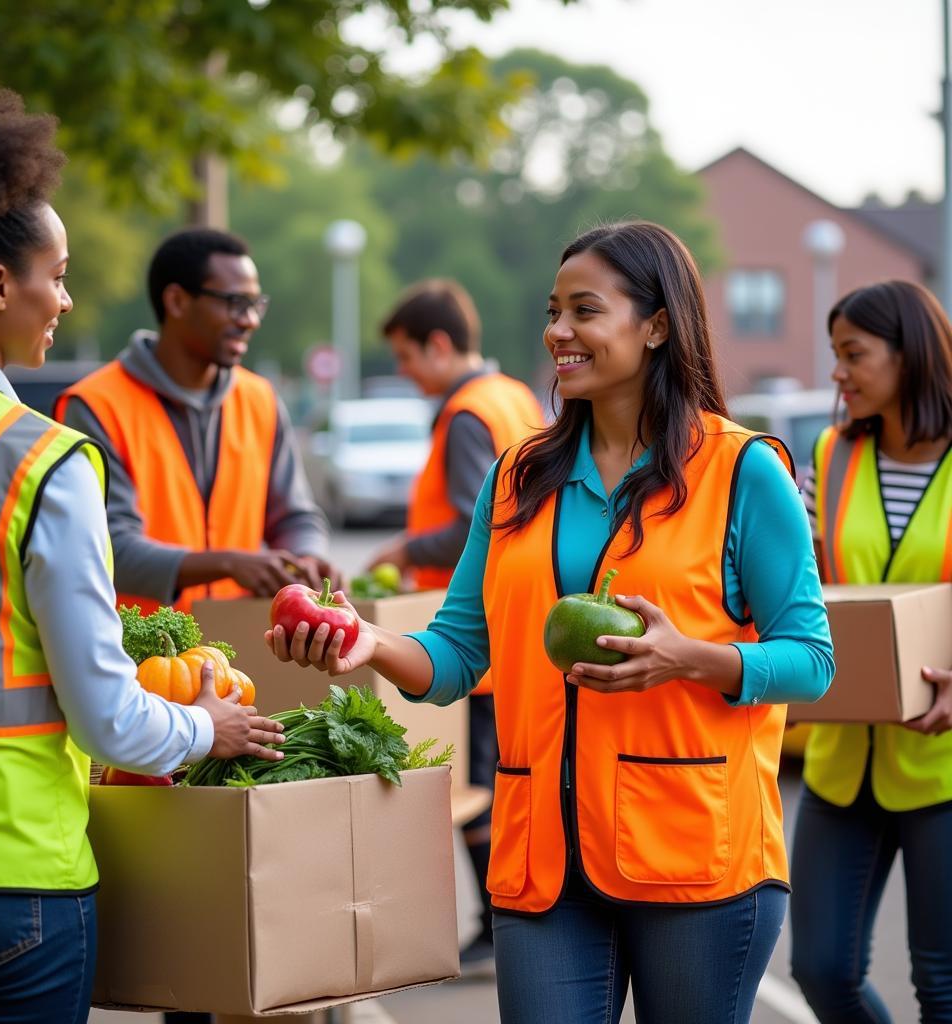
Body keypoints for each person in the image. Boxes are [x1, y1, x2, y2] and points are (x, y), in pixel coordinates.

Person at [269, 221, 835, 1023]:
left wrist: (691, 658)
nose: (557, 332)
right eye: (553, 310)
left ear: (658, 325)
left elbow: (812, 659)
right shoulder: (517, 476)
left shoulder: (742, 471)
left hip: (697, 858)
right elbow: (460, 653)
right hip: (542, 861)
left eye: (585, 310)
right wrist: (370, 643)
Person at [0, 74, 285, 1024]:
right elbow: (111, 723)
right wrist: (208, 728)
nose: (64, 297)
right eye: (58, 272)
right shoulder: (39, 456)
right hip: (7, 881)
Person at [368, 279, 544, 970]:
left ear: (439, 346)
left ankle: (499, 924)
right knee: (502, 780)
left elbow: (483, 519)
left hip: (475, 640)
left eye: (407, 357)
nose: (405, 372)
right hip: (515, 629)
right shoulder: (515, 398)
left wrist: (404, 549)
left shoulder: (468, 413)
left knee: (473, 787)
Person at [789, 280, 952, 1023]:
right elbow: (816, 583)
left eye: (853, 354)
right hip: (841, 755)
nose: (838, 373)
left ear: (909, 355)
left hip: (942, 765)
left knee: (942, 985)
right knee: (822, 969)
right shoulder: (831, 453)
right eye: (835, 355)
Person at [55, 227, 337, 614]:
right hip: (134, 657)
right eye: (236, 302)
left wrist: (309, 556)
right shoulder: (95, 405)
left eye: (257, 304)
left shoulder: (260, 399)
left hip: (236, 652)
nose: (251, 320)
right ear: (176, 301)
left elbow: (295, 515)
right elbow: (108, 545)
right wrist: (227, 564)